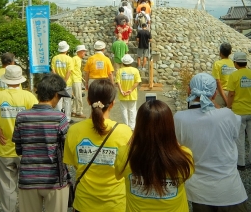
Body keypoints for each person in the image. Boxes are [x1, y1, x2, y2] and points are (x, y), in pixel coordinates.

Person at [174, 73, 248, 211]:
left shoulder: (179, 119)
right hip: (230, 190)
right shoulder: (227, 115)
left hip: (198, 191)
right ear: (214, 94)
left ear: (189, 91)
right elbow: (234, 134)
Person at [0, 65, 38, 212]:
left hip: (4, 149)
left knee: (7, 186)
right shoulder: (28, 96)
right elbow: (37, 119)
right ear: (20, 80)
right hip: (25, 150)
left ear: (6, 80)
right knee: (27, 186)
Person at [63, 79, 132, 212]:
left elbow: (75, 164)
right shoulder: (124, 131)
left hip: (83, 203)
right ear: (112, 103)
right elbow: (127, 167)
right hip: (116, 203)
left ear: (88, 101)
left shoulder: (74, 130)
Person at [114, 100, 194, 211]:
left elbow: (118, 175)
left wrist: (133, 139)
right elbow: (187, 175)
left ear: (138, 126)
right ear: (170, 127)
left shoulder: (125, 155)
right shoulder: (185, 156)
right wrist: (172, 141)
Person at [12, 74, 71, 212]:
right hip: (54, 180)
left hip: (28, 178)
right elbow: (66, 149)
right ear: (56, 95)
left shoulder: (22, 117)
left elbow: (19, 149)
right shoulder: (60, 118)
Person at [227, 52, 251, 170]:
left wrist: (228, 106)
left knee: (239, 138)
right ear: (246, 62)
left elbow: (231, 94)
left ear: (235, 63)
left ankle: (240, 164)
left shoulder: (234, 76)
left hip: (238, 111)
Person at [115, 54, 141, 130]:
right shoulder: (135, 70)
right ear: (131, 62)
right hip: (132, 94)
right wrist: (131, 90)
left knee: (124, 110)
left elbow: (118, 82)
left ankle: (125, 125)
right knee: (132, 110)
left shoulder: (120, 71)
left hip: (122, 94)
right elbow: (137, 82)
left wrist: (121, 90)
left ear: (123, 63)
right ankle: (132, 126)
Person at [51, 41, 73, 122]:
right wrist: (64, 81)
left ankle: (58, 117)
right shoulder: (69, 59)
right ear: (66, 50)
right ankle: (67, 118)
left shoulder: (54, 58)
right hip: (67, 83)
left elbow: (53, 70)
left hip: (57, 82)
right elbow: (69, 71)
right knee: (67, 101)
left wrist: (58, 80)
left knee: (58, 100)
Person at [211, 42, 236, 107]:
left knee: (220, 114)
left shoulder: (217, 64)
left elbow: (218, 82)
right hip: (233, 93)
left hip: (221, 93)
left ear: (220, 52)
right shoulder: (234, 64)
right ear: (230, 53)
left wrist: (225, 99)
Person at [71, 45, 87, 119]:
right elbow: (70, 69)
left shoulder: (77, 59)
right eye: (83, 51)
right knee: (78, 96)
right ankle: (79, 112)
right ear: (79, 52)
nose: (85, 53)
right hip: (75, 79)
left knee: (75, 96)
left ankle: (73, 111)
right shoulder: (75, 59)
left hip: (77, 79)